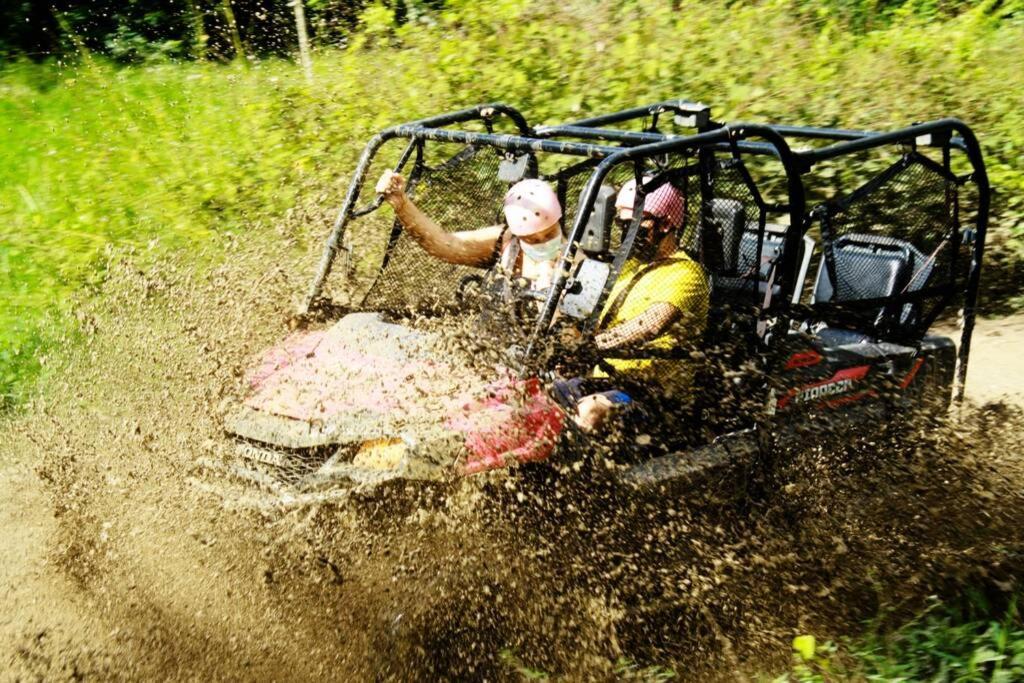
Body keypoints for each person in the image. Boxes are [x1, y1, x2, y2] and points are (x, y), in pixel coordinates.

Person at [556, 177, 711, 434]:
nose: (627, 233)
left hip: (655, 397)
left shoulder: (687, 273)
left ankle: (577, 471)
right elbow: (583, 313)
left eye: (635, 226)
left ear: (665, 225)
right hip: (608, 380)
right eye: (622, 225)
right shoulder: (627, 267)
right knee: (546, 392)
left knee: (591, 411)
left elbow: (649, 325)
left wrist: (592, 346)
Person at [375, 169, 565, 291]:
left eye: (550, 234)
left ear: (559, 222)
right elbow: (445, 245)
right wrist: (401, 204)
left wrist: (551, 289)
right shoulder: (505, 241)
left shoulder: (575, 260)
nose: (543, 243)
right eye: (531, 239)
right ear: (518, 234)